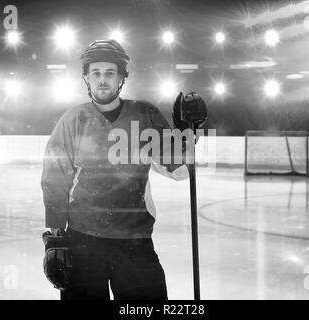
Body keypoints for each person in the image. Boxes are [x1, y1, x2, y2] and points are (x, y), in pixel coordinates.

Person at [41, 39, 204, 300]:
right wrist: (55, 239)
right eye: (95, 73)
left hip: (135, 242)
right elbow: (55, 181)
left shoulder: (145, 115)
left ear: (121, 78)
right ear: (86, 78)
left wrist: (187, 132)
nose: (102, 80)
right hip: (83, 242)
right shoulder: (72, 120)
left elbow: (179, 170)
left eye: (109, 73)